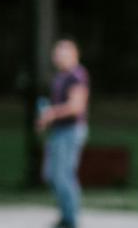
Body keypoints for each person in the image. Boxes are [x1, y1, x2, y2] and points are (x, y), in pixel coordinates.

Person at [37, 39, 91, 228]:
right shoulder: (60, 77)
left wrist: (52, 113)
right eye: (57, 54)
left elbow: (77, 106)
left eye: (63, 54)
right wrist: (47, 119)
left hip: (71, 131)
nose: (59, 57)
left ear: (75, 54)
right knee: (51, 173)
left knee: (64, 175)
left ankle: (71, 219)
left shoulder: (77, 75)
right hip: (59, 130)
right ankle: (65, 215)